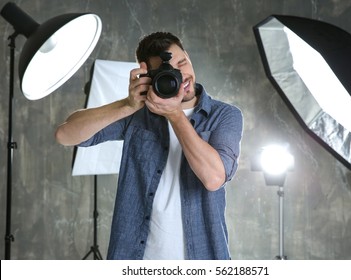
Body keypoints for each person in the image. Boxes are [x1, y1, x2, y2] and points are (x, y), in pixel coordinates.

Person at [55, 31, 243, 260]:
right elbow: (65, 134)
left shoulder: (224, 115)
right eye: (167, 71)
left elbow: (213, 178)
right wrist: (127, 105)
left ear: (189, 59)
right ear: (150, 77)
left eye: (182, 63)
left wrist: (174, 114)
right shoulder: (138, 114)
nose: (180, 75)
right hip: (137, 258)